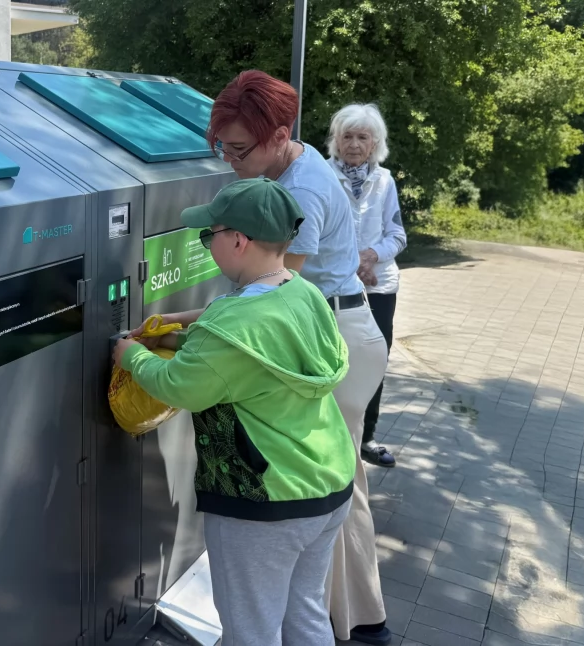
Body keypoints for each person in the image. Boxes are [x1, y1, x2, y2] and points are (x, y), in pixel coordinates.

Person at [113, 177, 356, 646]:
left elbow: (179, 385)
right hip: (326, 484)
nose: (208, 245)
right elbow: (240, 342)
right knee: (302, 614)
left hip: (265, 502)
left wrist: (129, 354)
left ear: (238, 241)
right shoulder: (300, 292)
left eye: (210, 236)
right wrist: (178, 330)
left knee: (251, 632)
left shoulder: (235, 326)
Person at [207, 70, 391, 645]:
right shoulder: (297, 165)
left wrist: (190, 332)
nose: (230, 161)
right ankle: (343, 619)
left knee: (333, 486)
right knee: (336, 484)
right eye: (223, 147)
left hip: (339, 329)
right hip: (335, 323)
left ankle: (362, 622)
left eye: (240, 149)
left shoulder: (300, 192)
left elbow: (276, 300)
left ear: (281, 134)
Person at [327, 103, 406, 469]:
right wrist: (353, 263)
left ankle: (366, 437)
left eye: (362, 137)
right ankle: (331, 430)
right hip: (336, 286)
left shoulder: (385, 181)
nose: (354, 144)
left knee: (375, 360)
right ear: (336, 141)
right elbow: (320, 233)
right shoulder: (324, 176)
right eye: (347, 136)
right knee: (332, 357)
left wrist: (372, 255)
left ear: (375, 143)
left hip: (378, 286)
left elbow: (397, 235)